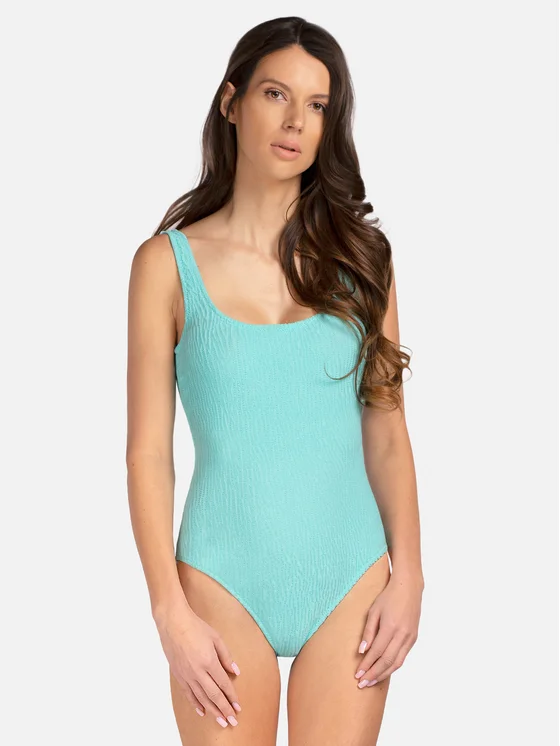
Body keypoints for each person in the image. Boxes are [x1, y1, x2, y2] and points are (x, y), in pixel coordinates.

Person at [126, 15, 424, 745]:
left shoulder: (365, 261)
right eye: (274, 94)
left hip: (350, 576)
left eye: (317, 105)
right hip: (220, 578)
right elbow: (148, 454)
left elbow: (387, 432)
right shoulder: (166, 266)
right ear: (231, 102)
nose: (295, 121)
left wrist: (411, 575)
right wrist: (168, 611)